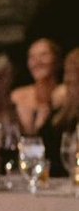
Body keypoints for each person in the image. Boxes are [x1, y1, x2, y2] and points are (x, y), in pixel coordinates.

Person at [12, 37, 64, 136]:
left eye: (44, 55)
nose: (37, 61)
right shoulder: (17, 96)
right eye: (32, 57)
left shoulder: (65, 94)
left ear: (57, 60)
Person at [41, 46, 79, 177]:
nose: (69, 79)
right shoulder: (58, 116)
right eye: (67, 72)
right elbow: (41, 148)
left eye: (74, 72)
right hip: (59, 184)